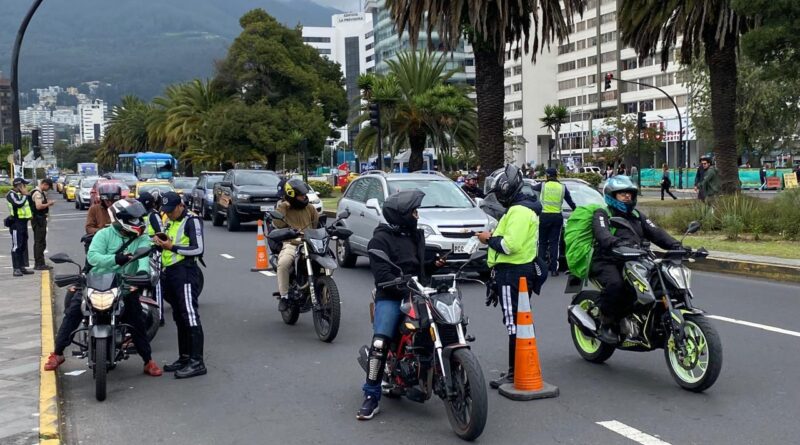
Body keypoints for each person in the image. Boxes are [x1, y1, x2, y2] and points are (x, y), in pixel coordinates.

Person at [44, 199, 163, 376]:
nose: (138, 223)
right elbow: (93, 257)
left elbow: (143, 260)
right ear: (120, 219)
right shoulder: (104, 234)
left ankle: (148, 361)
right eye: (133, 219)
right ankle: (58, 353)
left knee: (136, 320)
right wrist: (116, 259)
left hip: (123, 284)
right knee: (73, 313)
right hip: (95, 282)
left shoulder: (142, 238)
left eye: (139, 219)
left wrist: (141, 276)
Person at [357, 190, 446, 420]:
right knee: (380, 342)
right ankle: (371, 396)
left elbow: (417, 265)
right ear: (402, 215)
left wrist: (433, 264)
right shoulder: (380, 239)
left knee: (445, 323)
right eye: (413, 211)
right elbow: (382, 275)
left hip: (418, 293)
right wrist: (401, 285)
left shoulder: (414, 235)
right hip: (391, 295)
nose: (417, 215)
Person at [590, 176, 682, 343]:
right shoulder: (602, 213)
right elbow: (603, 235)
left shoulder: (637, 215)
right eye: (622, 194)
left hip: (636, 258)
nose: (627, 197)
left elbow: (656, 232)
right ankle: (607, 323)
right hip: (607, 260)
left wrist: (677, 246)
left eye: (629, 194)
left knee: (659, 280)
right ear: (612, 195)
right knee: (616, 285)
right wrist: (616, 243)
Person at [477, 164, 542, 389]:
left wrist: (488, 239)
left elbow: (509, 245)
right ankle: (522, 367)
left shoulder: (518, 211)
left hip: (511, 272)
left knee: (514, 324)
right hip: (521, 271)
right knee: (520, 321)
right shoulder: (524, 208)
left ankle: (515, 372)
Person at [153, 192, 207, 379]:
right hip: (170, 272)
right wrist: (160, 243)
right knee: (179, 316)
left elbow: (198, 248)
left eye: (171, 211)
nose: (168, 214)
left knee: (189, 315)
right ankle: (184, 357)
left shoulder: (192, 221)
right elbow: (169, 242)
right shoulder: (170, 220)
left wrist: (172, 247)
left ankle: (197, 361)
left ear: (180, 206)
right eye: (165, 211)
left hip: (185, 272)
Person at [272, 179, 320, 312]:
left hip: (311, 242)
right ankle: (284, 296)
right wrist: (283, 207)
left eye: (305, 195)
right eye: (300, 195)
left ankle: (324, 289)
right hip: (292, 242)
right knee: (283, 263)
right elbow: (278, 223)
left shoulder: (310, 208)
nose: (304, 197)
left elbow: (316, 224)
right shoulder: (284, 208)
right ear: (292, 195)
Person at [531, 168, 575, 277]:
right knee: (555, 243)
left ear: (547, 176)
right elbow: (570, 202)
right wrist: (577, 210)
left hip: (544, 216)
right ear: (556, 176)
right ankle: (554, 270)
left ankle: (540, 270)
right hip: (557, 217)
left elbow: (532, 187)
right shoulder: (562, 187)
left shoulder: (543, 186)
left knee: (542, 243)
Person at [6, 177, 33, 276]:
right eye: (24, 185)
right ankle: (16, 268)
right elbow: (18, 204)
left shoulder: (20, 194)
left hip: (24, 222)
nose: (25, 187)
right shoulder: (11, 194)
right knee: (16, 246)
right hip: (16, 223)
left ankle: (22, 267)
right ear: (19, 186)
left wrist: (27, 196)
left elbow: (29, 205)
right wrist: (25, 195)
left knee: (23, 245)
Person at [31, 178, 56, 270]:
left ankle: (41, 263)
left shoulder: (41, 192)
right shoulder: (37, 193)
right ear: (44, 184)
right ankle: (38, 264)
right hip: (38, 220)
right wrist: (48, 204)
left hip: (40, 219)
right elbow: (38, 206)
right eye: (48, 187)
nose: (48, 189)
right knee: (39, 242)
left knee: (41, 242)